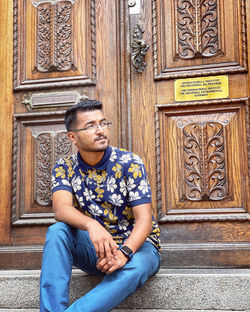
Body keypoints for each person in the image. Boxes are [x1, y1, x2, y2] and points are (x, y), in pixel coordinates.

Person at [40, 99, 161, 312]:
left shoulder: (129, 162)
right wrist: (92, 225)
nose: (100, 130)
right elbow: (61, 209)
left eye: (103, 123)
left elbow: (145, 220)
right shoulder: (64, 167)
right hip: (96, 250)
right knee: (57, 231)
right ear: (72, 137)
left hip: (137, 248)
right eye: (91, 126)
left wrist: (125, 252)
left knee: (138, 266)